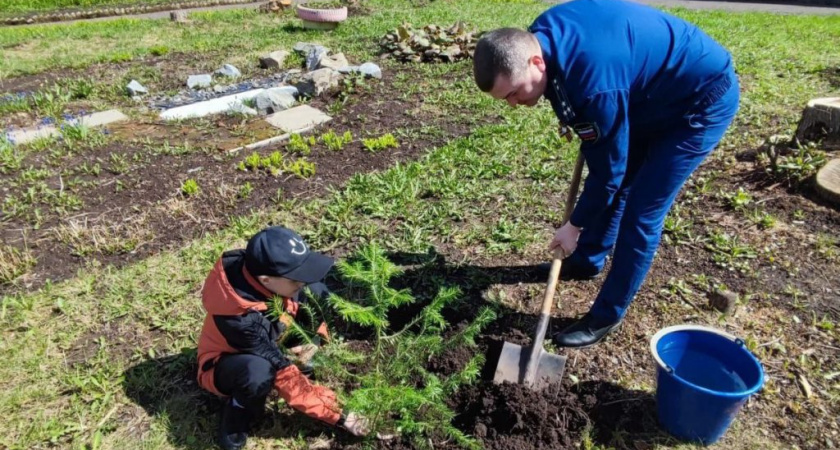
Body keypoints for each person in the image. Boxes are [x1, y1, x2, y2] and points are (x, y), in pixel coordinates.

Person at [473, 0, 739, 348]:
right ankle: (587, 261)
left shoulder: (594, 85)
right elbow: (603, 153)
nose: (512, 104)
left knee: (641, 214)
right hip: (645, 93)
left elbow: (608, 173)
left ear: (536, 62)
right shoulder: (542, 38)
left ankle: (606, 315)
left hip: (698, 101)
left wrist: (574, 226)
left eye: (513, 93)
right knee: (617, 175)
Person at [196, 226, 369, 450]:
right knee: (258, 373)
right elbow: (284, 376)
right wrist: (341, 415)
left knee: (315, 291)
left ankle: (302, 348)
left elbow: (303, 293)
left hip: (269, 333)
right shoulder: (238, 320)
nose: (301, 283)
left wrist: (317, 339)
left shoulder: (263, 273)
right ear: (266, 280)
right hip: (228, 364)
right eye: (295, 279)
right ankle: (239, 408)